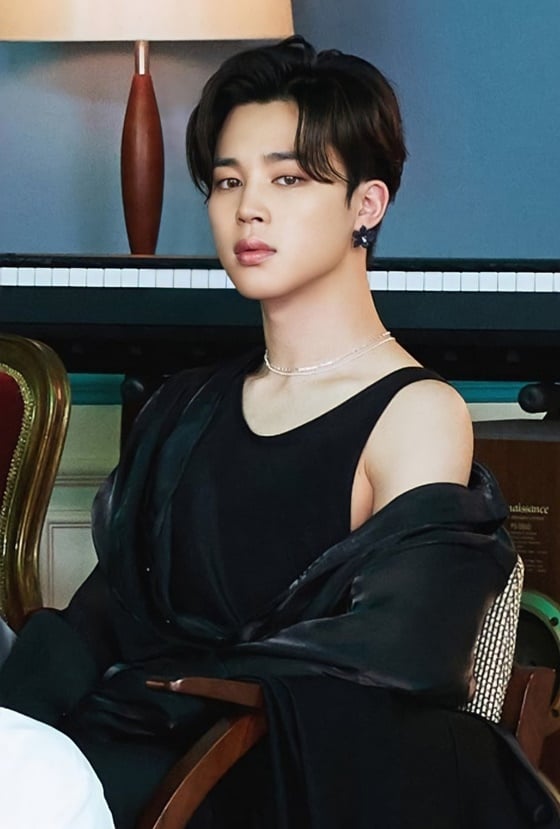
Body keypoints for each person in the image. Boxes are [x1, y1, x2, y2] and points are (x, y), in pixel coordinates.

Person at [0, 35, 557, 829]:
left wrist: (173, 689)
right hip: (126, 737)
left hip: (266, 763)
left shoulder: (415, 410)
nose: (248, 208)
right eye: (229, 181)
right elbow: (97, 619)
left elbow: (403, 646)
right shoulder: (184, 405)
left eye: (288, 178)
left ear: (367, 205)